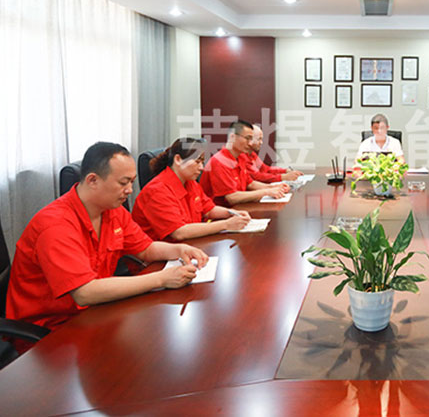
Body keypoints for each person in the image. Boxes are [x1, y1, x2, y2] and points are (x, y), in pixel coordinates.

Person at [6, 142, 209, 336]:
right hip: (53, 330)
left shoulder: (113, 210)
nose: (130, 190)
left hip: (96, 311)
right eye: (123, 183)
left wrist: (179, 250)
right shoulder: (55, 225)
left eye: (132, 182)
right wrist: (161, 279)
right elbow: (84, 292)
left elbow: (145, 248)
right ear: (93, 180)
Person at [133, 137, 252, 241]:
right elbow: (179, 232)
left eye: (202, 162)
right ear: (178, 160)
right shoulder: (157, 191)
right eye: (197, 161)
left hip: (190, 245)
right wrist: (226, 225)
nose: (201, 167)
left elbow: (209, 209)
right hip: (163, 256)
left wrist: (232, 213)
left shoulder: (190, 182)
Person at [200, 120, 289, 206]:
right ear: (232, 137)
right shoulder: (219, 161)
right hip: (222, 212)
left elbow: (250, 183)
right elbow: (232, 197)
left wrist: (274, 187)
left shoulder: (241, 157)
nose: (250, 143)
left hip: (239, 208)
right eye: (247, 138)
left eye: (251, 139)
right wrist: (266, 192)